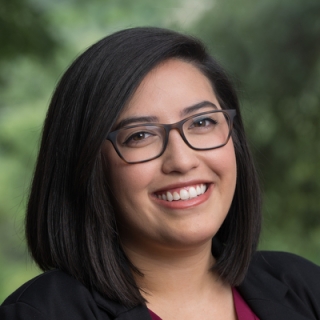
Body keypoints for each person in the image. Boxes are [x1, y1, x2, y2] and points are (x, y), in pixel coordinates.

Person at [1, 27, 320, 320]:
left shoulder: (305, 286)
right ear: (85, 165)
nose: (182, 160)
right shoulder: (40, 313)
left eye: (202, 122)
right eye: (139, 135)